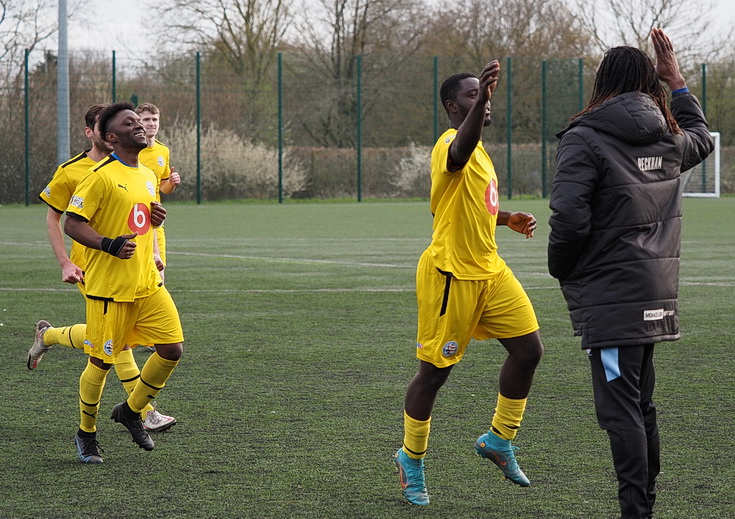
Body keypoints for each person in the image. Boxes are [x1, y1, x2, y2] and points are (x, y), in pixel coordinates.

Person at [547, 29, 714, 519]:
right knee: (639, 406)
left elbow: (570, 219)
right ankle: (645, 506)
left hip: (615, 294)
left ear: (602, 82)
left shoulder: (585, 137)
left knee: (620, 412)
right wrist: (678, 83)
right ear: (650, 81)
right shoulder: (668, 136)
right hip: (656, 289)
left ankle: (635, 512)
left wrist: (562, 268)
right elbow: (702, 138)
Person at [394, 61, 544, 506]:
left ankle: (498, 440)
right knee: (435, 374)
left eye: (484, 93)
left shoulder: (480, 152)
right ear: (451, 106)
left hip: (491, 271)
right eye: (471, 94)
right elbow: (461, 150)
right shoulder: (450, 145)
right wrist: (481, 106)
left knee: (529, 351)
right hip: (451, 275)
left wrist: (506, 216)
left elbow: (467, 204)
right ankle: (411, 458)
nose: (483, 99)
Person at [32, 105, 177, 434]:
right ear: (95, 133)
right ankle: (143, 412)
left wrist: (153, 250)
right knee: (114, 345)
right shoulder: (74, 171)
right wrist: (66, 262)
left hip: (135, 267)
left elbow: (143, 215)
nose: (137, 127)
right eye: (124, 124)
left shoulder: (141, 169)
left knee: (110, 339)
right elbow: (58, 220)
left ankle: (49, 335)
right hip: (93, 265)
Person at [64, 102, 185, 463]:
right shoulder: (99, 176)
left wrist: (155, 218)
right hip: (109, 289)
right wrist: (108, 244)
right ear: (112, 137)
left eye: (141, 121)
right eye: (130, 123)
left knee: (172, 349)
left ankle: (131, 411)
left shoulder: (147, 175)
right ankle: (86, 433)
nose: (141, 126)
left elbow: (137, 218)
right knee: (100, 364)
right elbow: (72, 222)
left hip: (147, 283)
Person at [135, 102, 180, 282]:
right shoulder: (129, 150)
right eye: (146, 120)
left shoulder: (163, 151)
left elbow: (163, 188)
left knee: (159, 275)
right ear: (138, 123)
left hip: (155, 219)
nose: (151, 123)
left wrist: (171, 183)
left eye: (154, 119)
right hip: (134, 217)